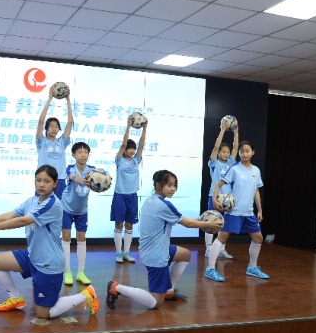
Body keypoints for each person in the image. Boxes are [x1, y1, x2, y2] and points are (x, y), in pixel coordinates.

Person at [0, 165, 99, 320]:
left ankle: (86, 294)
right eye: (38, 180)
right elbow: (10, 215)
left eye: (46, 181)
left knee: (43, 314)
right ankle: (16, 299)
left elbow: (23, 220)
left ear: (55, 183)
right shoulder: (32, 201)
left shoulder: (53, 204)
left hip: (49, 264)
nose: (41, 184)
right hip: (32, 256)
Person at [106, 170, 223, 310]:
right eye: (169, 185)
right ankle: (117, 287)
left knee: (185, 255)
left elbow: (182, 220)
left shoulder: (151, 200)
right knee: (156, 303)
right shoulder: (163, 205)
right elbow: (187, 224)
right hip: (156, 256)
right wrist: (208, 224)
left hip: (154, 249)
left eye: (174, 185)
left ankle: (168, 291)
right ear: (158, 185)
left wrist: (202, 220)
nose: (173, 188)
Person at [206, 141, 268, 282]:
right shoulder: (234, 169)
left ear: (253, 152)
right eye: (241, 151)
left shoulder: (256, 171)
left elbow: (256, 191)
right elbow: (218, 185)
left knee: (258, 238)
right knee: (222, 238)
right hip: (234, 212)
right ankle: (210, 269)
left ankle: (252, 268)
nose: (244, 154)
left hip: (249, 213)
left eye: (247, 151)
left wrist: (260, 210)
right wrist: (215, 200)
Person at [110, 115, 147, 263]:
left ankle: (126, 252)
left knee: (130, 225)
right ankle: (118, 253)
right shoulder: (119, 160)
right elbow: (123, 144)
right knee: (119, 224)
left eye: (133, 149)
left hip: (132, 196)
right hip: (120, 195)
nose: (131, 151)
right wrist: (128, 126)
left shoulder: (136, 160)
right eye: (129, 148)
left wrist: (145, 128)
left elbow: (142, 143)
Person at [61, 142, 94, 286]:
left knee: (81, 238)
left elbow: (100, 181)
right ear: (74, 155)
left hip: (82, 210)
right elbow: (73, 177)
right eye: (80, 152)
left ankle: (81, 272)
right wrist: (82, 180)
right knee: (66, 238)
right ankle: (66, 271)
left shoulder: (93, 170)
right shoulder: (70, 168)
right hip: (67, 207)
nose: (83, 155)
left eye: (85, 152)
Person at [205, 119, 239, 259]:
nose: (225, 154)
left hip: (228, 198)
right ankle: (208, 249)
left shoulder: (231, 163)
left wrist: (236, 133)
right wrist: (223, 130)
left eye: (227, 152)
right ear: (219, 153)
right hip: (215, 196)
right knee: (210, 222)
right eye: (223, 151)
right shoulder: (214, 163)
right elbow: (215, 147)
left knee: (224, 225)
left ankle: (221, 248)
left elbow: (236, 148)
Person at [36, 90, 74, 199]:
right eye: (51, 126)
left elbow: (70, 123)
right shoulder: (41, 141)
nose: (54, 128)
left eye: (56, 126)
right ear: (46, 128)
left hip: (60, 179)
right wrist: (50, 99)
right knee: (40, 210)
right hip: (44, 178)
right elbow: (40, 121)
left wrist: (68, 100)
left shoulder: (61, 142)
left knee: (59, 210)